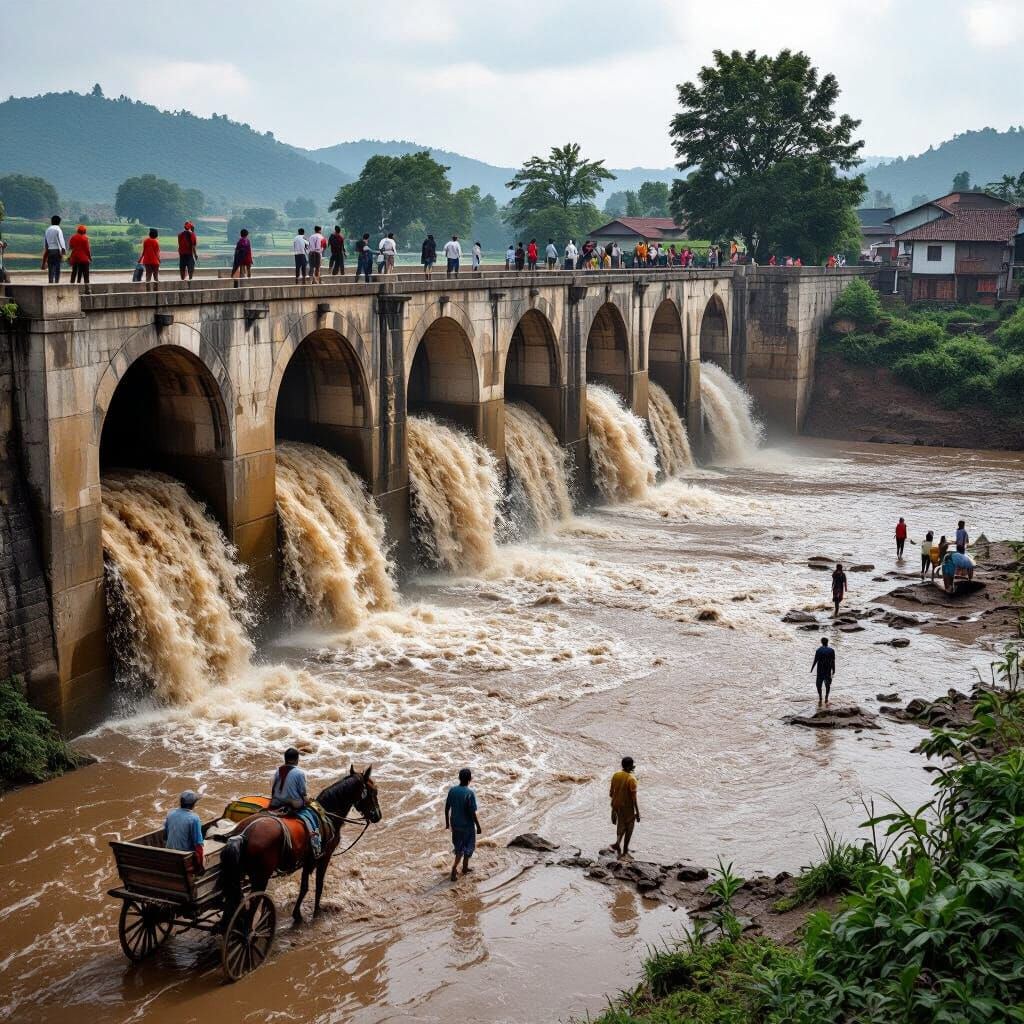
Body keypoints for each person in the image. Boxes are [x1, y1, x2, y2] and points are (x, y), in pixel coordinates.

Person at [270, 747, 321, 858]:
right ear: (297, 759)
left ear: (285, 759)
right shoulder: (299, 773)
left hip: (276, 803)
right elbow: (303, 794)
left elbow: (273, 788)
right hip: (293, 804)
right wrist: (309, 802)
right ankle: (316, 846)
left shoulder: (277, 770)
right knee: (313, 817)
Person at [444, 767, 481, 882]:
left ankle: (464, 868)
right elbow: (472, 812)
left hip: (455, 825)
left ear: (459, 778)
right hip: (467, 826)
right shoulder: (469, 793)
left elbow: (447, 808)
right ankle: (456, 868)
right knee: (468, 847)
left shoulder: (452, 790)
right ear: (470, 779)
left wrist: (447, 824)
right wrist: (478, 826)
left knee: (459, 848)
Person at [164, 790, 205, 872]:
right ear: (193, 804)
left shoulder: (170, 814)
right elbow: (198, 845)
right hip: (184, 857)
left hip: (169, 854)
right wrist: (200, 866)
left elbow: (165, 837)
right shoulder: (194, 818)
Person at [609, 757, 640, 859]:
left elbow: (611, 793)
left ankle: (617, 844)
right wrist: (638, 813)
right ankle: (625, 851)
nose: (633, 766)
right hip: (627, 807)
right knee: (629, 827)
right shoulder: (632, 779)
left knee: (621, 825)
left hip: (616, 805)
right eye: (632, 765)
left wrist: (613, 809)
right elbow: (634, 799)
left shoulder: (616, 775)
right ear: (629, 766)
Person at [811, 637, 836, 705]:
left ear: (821, 642)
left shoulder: (818, 650)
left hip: (820, 670)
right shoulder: (831, 650)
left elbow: (815, 660)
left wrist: (812, 668)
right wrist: (834, 670)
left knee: (818, 685)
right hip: (828, 670)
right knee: (827, 685)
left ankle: (820, 698)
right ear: (827, 642)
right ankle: (826, 698)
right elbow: (833, 661)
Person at [43, 215, 67, 283]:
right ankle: (56, 282)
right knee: (57, 268)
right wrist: (63, 252)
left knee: (51, 268)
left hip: (50, 251)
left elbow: (45, 241)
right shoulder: (58, 229)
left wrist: (46, 250)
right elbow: (61, 241)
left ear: (51, 221)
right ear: (59, 222)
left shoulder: (47, 229)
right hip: (56, 251)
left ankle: (50, 282)